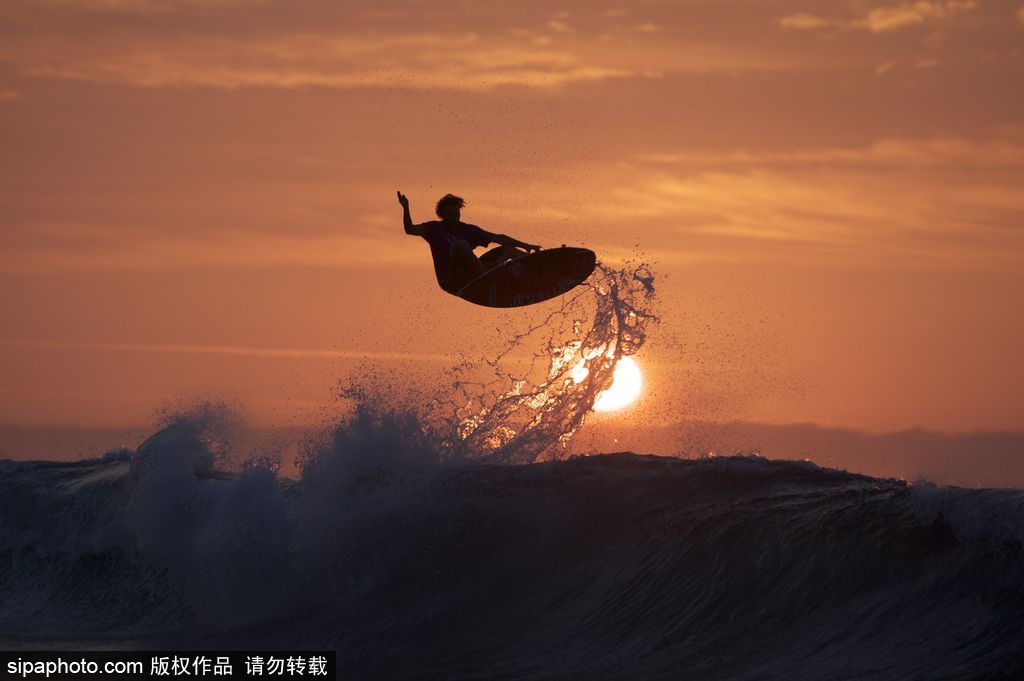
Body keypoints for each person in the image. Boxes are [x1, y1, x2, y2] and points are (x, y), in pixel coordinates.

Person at [398, 191, 541, 295]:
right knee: (461, 244)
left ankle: (537, 268)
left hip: (474, 274)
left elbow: (499, 238)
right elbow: (409, 229)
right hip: (452, 281)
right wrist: (406, 208)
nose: (455, 219)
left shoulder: (468, 229)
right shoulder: (434, 229)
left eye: (457, 215)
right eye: (450, 216)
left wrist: (526, 245)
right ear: (442, 216)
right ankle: (488, 274)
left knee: (508, 250)